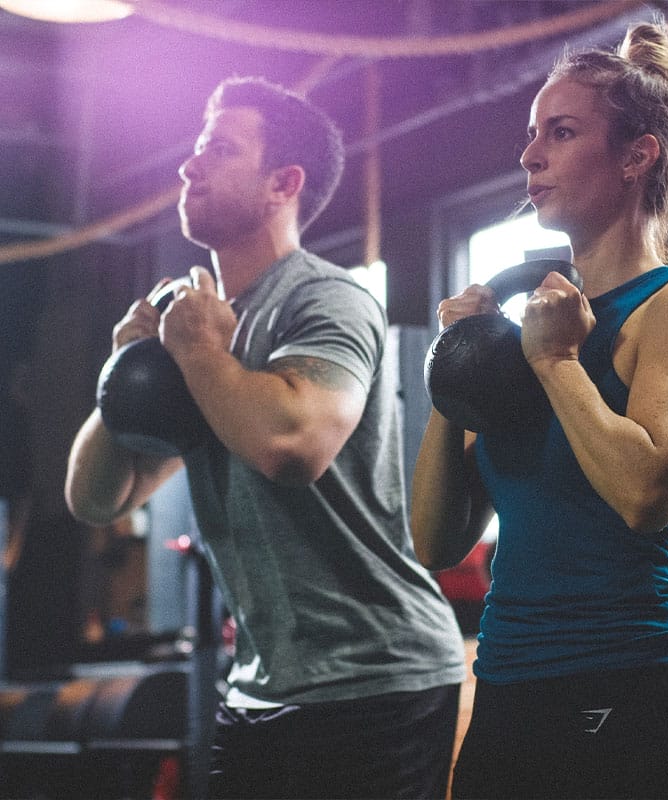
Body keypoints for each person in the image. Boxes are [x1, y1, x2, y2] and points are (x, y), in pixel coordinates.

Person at [65, 76, 465, 800]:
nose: (190, 165)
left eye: (219, 150)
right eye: (196, 148)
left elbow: (292, 445)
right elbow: (98, 497)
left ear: (284, 183)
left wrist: (197, 352)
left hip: (374, 679)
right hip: (259, 685)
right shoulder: (197, 328)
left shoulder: (326, 299)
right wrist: (123, 371)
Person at [411, 18, 668, 800]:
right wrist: (456, 373)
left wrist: (556, 364)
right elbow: (436, 540)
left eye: (560, 133)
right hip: (508, 684)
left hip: (631, 686)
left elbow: (645, 496)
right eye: (532, 135)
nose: (531, 156)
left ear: (636, 156)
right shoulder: (532, 330)